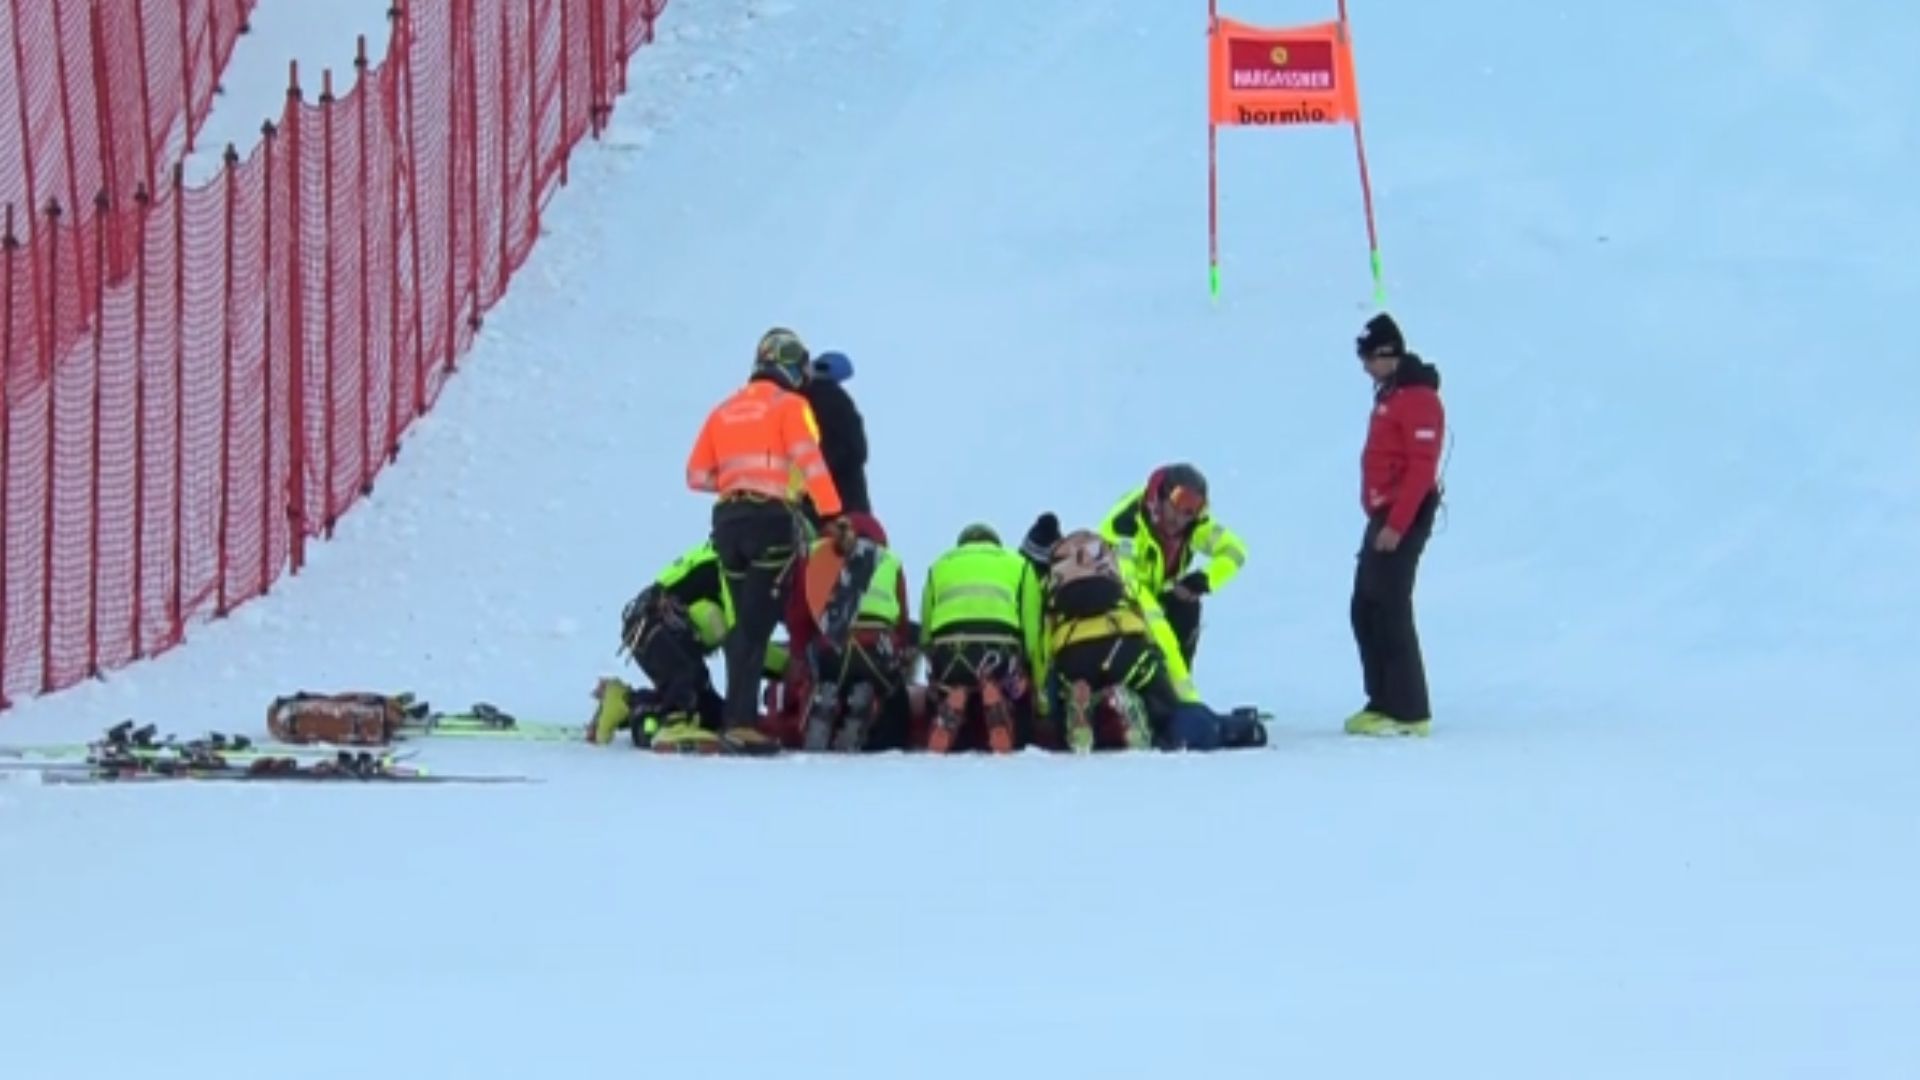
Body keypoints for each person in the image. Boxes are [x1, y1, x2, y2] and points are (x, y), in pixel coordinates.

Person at [682, 327, 852, 755]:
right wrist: (833, 516)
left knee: (745, 621)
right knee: (756, 626)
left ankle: (737, 719)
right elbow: (810, 463)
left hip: (728, 522)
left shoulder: (722, 411)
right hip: (771, 521)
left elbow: (697, 476)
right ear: (789, 365)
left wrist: (739, 480)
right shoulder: (790, 406)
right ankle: (739, 723)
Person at [1345, 312, 1445, 738]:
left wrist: (1397, 525)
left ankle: (1409, 709)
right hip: (1384, 513)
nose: (1365, 366)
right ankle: (1383, 700)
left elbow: (1421, 471)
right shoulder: (1392, 393)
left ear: (1388, 354)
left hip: (1403, 514)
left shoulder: (1418, 397)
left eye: (1369, 358)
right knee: (1365, 607)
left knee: (1389, 605)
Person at [597, 541, 795, 751]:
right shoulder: (735, 567)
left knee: (712, 714)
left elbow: (748, 643)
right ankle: (672, 726)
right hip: (654, 623)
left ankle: (626, 702)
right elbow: (742, 641)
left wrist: (789, 664)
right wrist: (791, 664)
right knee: (685, 688)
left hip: (667, 629)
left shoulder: (740, 553)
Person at [1036, 526, 1186, 752]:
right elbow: (1157, 627)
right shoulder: (1124, 575)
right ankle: (1126, 704)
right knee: (1162, 704)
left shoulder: (1052, 580)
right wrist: (1181, 697)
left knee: (1063, 694)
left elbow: (1043, 640)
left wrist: (1045, 694)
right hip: (1124, 645)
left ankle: (1078, 710)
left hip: (1072, 652)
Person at [1099, 463, 1247, 671]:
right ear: (1159, 497)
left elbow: (1234, 550)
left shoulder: (1194, 526)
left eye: (1189, 512)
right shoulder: (1125, 528)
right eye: (1176, 505)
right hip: (1118, 608)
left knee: (1187, 605)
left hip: (1153, 601)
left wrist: (1204, 579)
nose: (1179, 518)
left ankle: (1172, 685)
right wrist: (1184, 690)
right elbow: (1133, 590)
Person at [788, 510, 914, 751]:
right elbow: (902, 622)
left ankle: (824, 703)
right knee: (894, 696)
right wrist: (901, 651)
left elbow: (799, 614)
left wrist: (799, 654)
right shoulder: (889, 559)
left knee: (823, 677)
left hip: (830, 648)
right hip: (877, 648)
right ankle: (866, 709)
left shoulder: (817, 553)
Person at [918, 523, 1046, 754]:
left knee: (947, 688)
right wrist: (1030, 676)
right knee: (1019, 699)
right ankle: (1002, 706)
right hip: (999, 653)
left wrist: (934, 670)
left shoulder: (939, 565)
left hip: (949, 655)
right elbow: (1032, 631)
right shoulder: (1020, 564)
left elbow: (926, 630)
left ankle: (953, 699)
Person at [799, 350, 870, 519]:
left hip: (807, 506)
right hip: (846, 505)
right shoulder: (837, 400)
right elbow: (856, 449)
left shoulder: (793, 402)